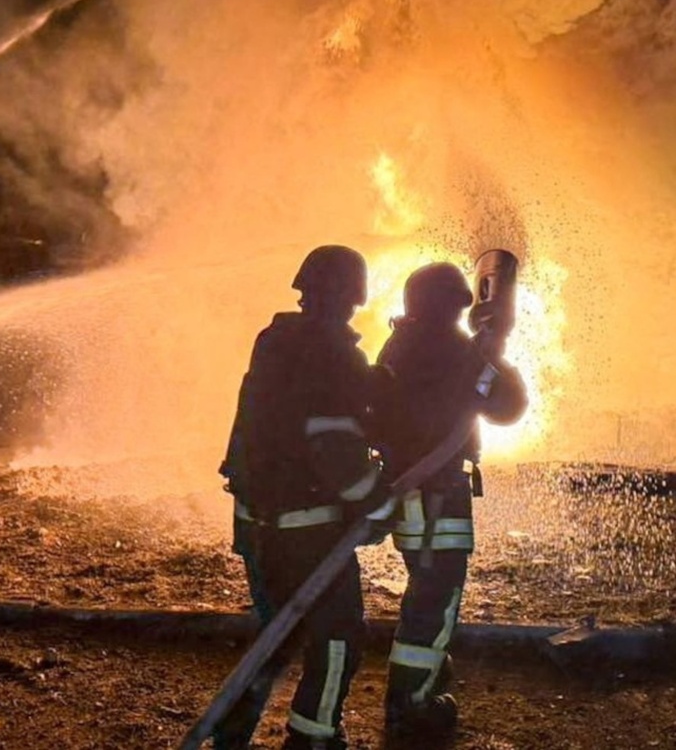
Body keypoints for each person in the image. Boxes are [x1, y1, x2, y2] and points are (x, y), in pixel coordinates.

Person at [216, 245, 386, 750]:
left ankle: (231, 735)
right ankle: (315, 739)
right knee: (337, 637)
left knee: (276, 638)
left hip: (256, 525)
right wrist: (376, 502)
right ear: (355, 295)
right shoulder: (333, 352)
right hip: (307, 531)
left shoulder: (275, 341)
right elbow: (333, 442)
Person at [371, 262, 526, 738]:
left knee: (424, 589)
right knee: (436, 600)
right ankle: (411, 705)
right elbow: (506, 406)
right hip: (440, 494)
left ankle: (427, 672)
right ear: (450, 307)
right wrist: (495, 351)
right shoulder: (452, 349)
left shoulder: (400, 343)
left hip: (411, 493)